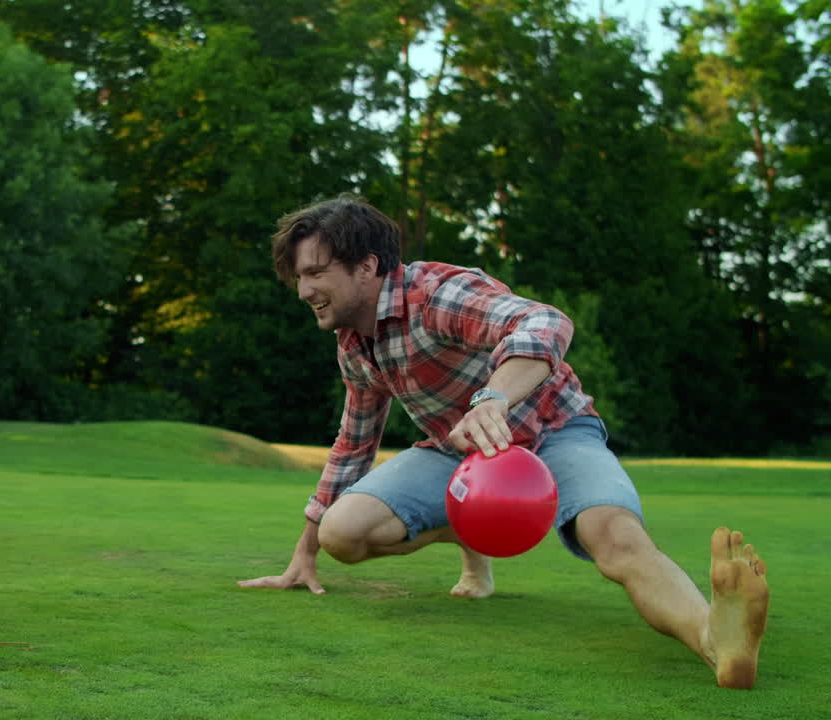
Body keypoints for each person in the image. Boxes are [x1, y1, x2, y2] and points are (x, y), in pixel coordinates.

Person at [237, 195, 770, 690]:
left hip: (555, 431)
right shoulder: (353, 345)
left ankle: (713, 636)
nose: (303, 290)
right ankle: (477, 533)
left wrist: (493, 397)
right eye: (299, 276)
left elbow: (545, 320)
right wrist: (304, 556)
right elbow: (354, 442)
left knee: (613, 537)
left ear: (367, 266)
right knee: (343, 535)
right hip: (458, 455)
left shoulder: (437, 293)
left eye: (315, 273)